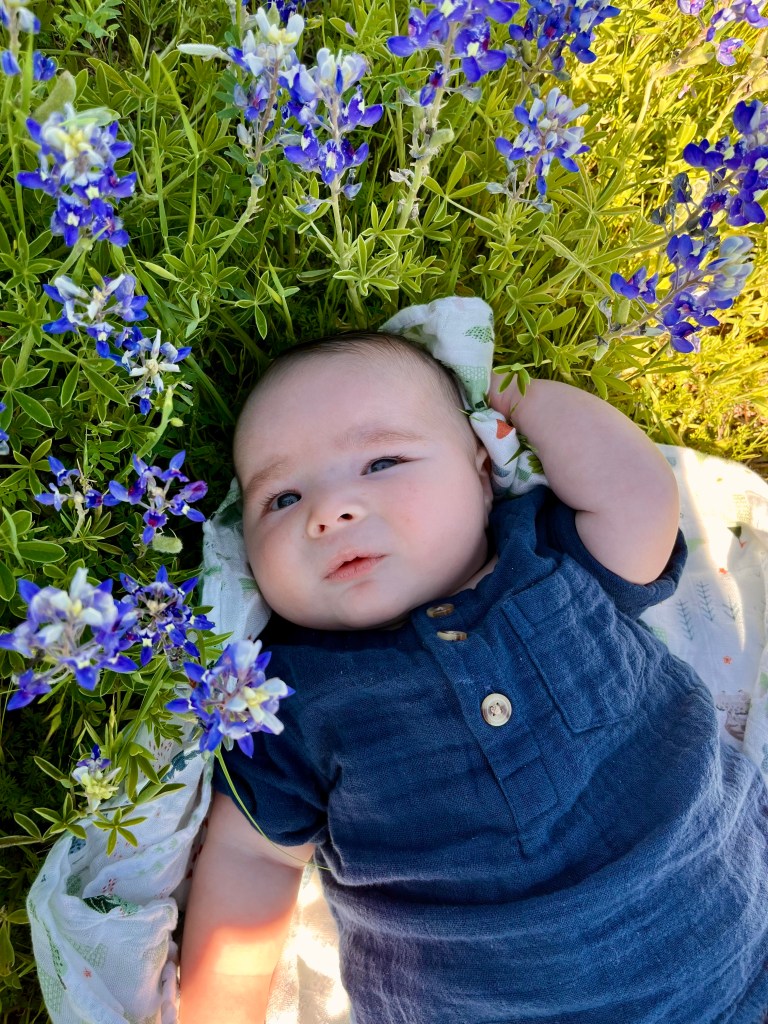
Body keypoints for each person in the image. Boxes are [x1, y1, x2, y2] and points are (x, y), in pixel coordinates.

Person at [179, 331, 768, 1024]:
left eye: (383, 460)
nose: (328, 511)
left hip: (736, 951)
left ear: (481, 471)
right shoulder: (285, 693)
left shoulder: (548, 555)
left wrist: (522, 395)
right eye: (280, 498)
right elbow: (254, 860)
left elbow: (640, 505)